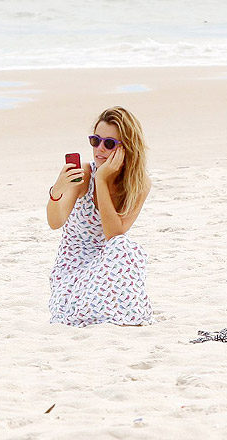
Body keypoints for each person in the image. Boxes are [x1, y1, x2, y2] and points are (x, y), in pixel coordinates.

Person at [47, 106, 153, 327]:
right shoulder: (85, 174)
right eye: (95, 141)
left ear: (127, 148)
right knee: (122, 248)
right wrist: (57, 191)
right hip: (73, 270)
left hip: (107, 266)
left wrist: (103, 181)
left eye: (110, 143)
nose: (99, 149)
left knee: (125, 248)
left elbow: (114, 235)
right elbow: (55, 222)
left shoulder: (138, 185)